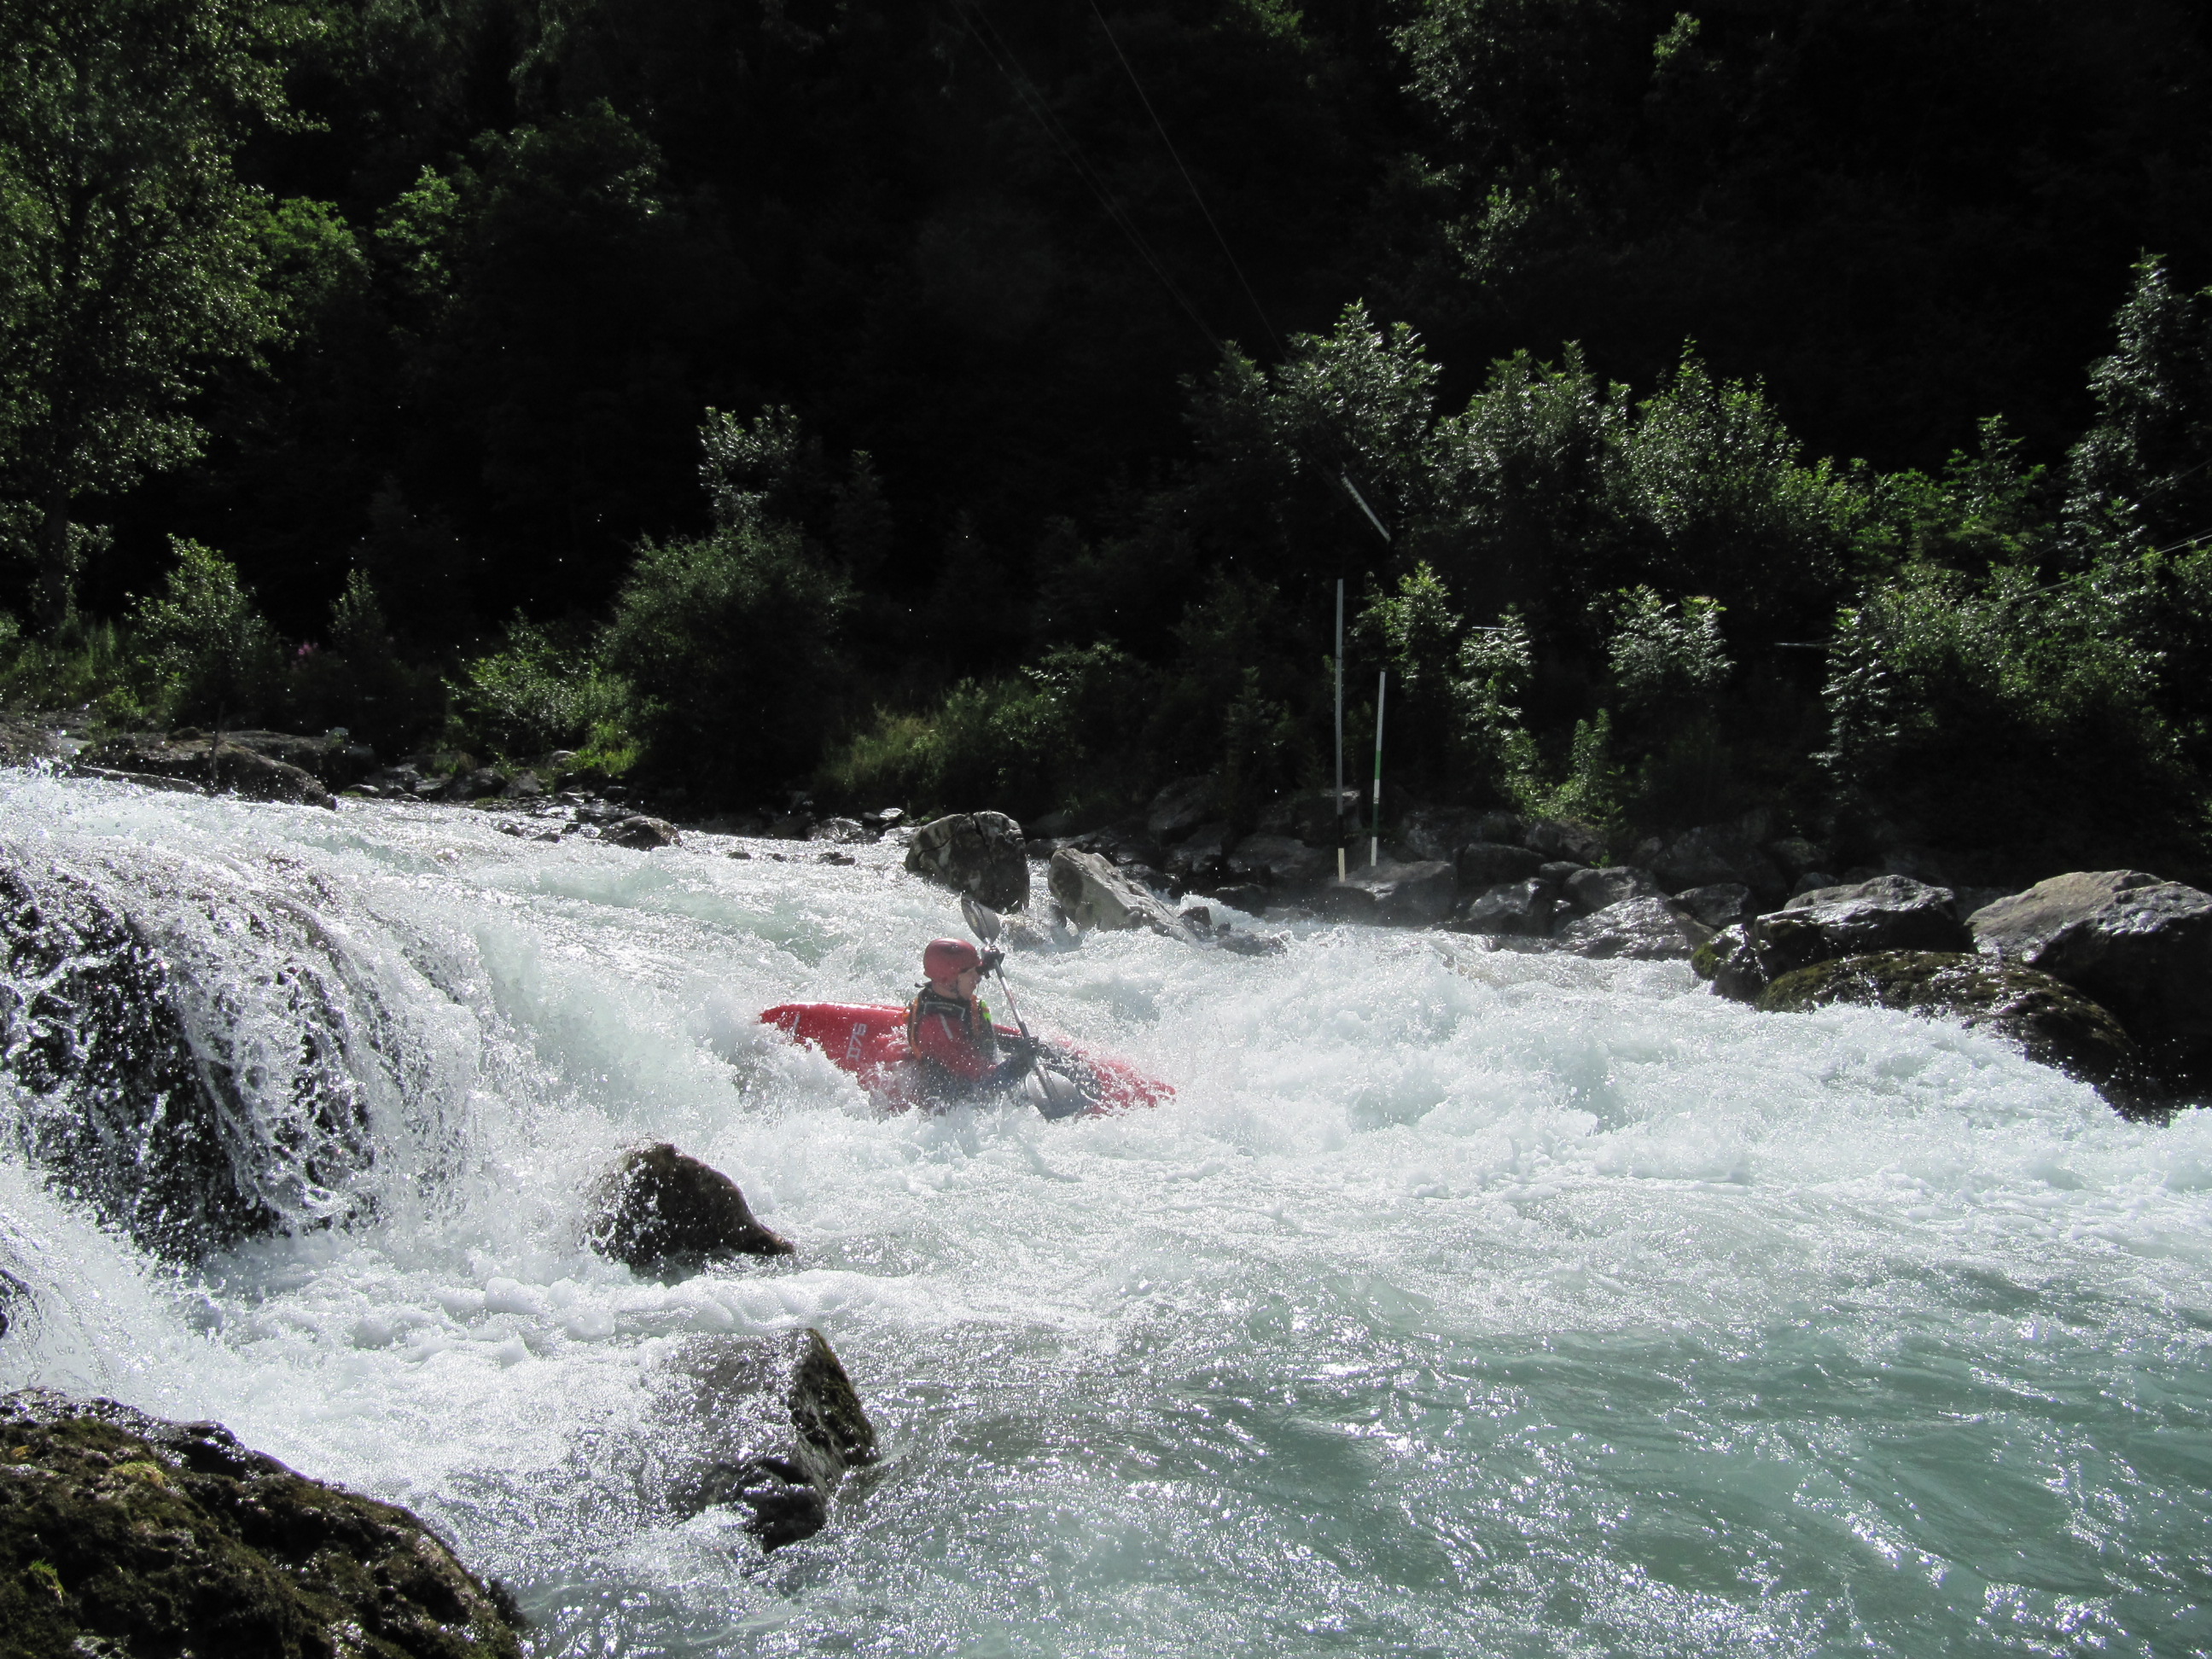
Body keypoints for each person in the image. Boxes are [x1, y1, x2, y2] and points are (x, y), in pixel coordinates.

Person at [906, 937, 1036, 1103]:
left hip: (975, 1048)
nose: (978, 978)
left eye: (977, 971)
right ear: (948, 980)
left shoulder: (950, 991)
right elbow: (987, 1082)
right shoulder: (939, 1030)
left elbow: (979, 1036)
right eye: (971, 973)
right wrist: (1020, 1063)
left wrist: (986, 965)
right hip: (960, 1097)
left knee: (1046, 1052)